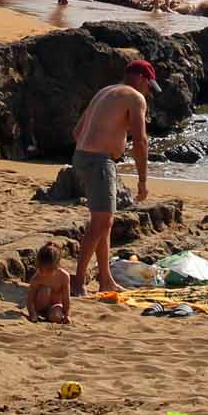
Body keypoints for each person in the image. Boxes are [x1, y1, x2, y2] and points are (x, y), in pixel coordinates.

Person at [69, 59, 153, 295]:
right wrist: (143, 180)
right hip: (99, 160)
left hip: (82, 157)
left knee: (104, 222)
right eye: (148, 85)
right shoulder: (135, 98)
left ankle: (105, 279)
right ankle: (78, 281)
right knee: (102, 223)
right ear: (140, 79)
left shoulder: (105, 92)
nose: (148, 91)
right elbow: (141, 141)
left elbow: (77, 132)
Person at [24, 242, 71, 324]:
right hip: (40, 306)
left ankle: (51, 316)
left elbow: (66, 298)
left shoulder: (64, 276)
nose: (43, 273)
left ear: (56, 266)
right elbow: (30, 299)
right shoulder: (37, 278)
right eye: (41, 269)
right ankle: (39, 314)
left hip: (55, 305)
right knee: (45, 290)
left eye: (48, 270)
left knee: (56, 317)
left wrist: (67, 314)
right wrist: (32, 313)